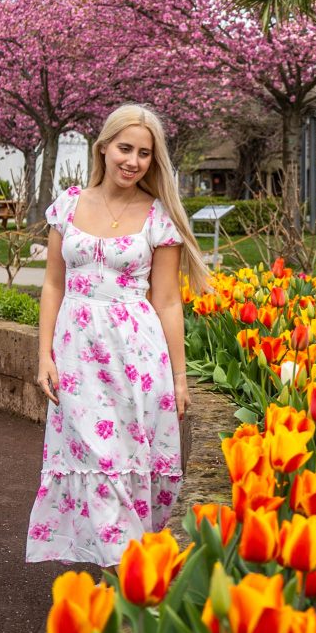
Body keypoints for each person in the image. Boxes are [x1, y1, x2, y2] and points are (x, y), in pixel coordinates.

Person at [26, 104, 208, 566]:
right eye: (125, 148)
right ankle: (128, 574)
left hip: (136, 357)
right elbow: (52, 283)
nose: (133, 161)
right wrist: (44, 355)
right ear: (103, 147)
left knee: (123, 463)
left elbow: (167, 301)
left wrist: (180, 379)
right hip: (75, 354)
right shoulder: (67, 205)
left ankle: (127, 577)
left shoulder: (158, 216)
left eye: (145, 153)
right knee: (95, 457)